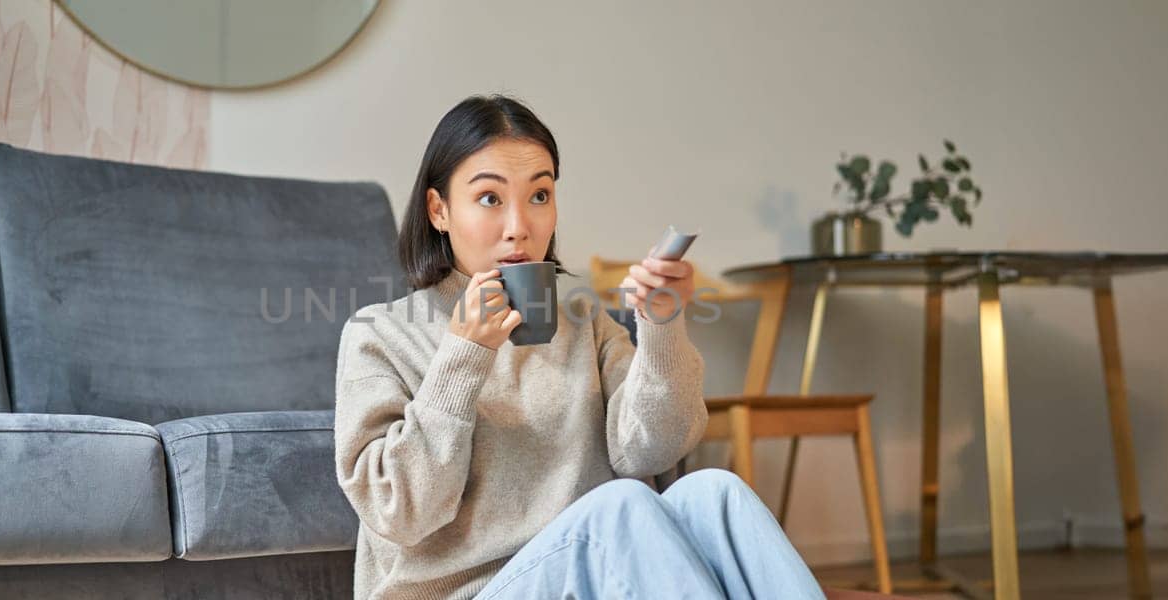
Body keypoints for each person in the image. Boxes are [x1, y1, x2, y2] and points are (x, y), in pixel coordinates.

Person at [333, 94, 825, 599]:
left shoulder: (585, 326)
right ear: (439, 210)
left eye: (540, 195)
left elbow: (653, 450)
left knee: (714, 493)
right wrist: (463, 356)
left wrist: (661, 327)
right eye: (489, 198)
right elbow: (398, 510)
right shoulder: (380, 333)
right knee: (620, 507)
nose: (520, 226)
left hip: (597, 577)